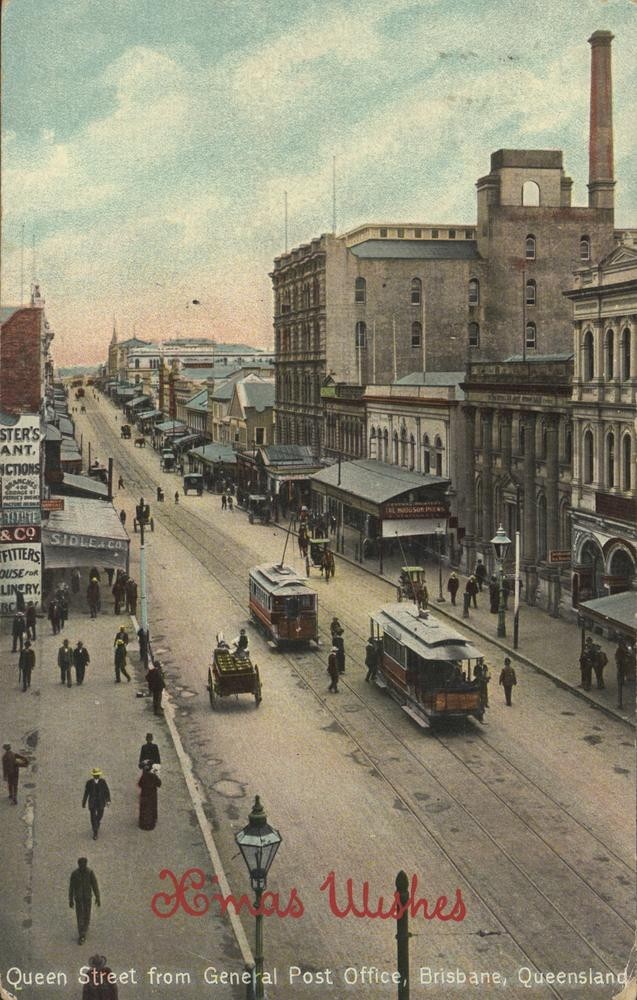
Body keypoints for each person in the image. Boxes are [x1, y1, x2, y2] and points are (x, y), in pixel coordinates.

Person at [69, 858, 100, 944]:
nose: (82, 866)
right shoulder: (75, 874)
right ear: (78, 864)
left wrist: (98, 897)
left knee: (87, 915)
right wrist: (70, 899)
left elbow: (94, 885)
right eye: (81, 864)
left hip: (87, 898)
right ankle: (81, 934)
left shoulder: (90, 873)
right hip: (78, 899)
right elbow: (71, 888)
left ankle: (84, 931)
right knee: (80, 916)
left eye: (84, 864)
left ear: (86, 864)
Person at [82, 769, 111, 840]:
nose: (96, 776)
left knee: (100, 815)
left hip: (101, 802)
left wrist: (108, 800)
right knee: (92, 817)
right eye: (95, 775)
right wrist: (84, 802)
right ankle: (95, 832)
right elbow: (86, 793)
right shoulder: (89, 783)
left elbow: (106, 791)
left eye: (98, 775)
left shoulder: (103, 782)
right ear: (93, 775)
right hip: (92, 802)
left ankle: (97, 822)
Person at [138, 761, 162, 830]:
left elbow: (140, 784)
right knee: (151, 808)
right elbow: (159, 784)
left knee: (144, 808)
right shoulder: (154, 776)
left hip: (144, 794)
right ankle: (150, 823)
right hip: (152, 795)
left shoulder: (144, 775)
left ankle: (143, 824)